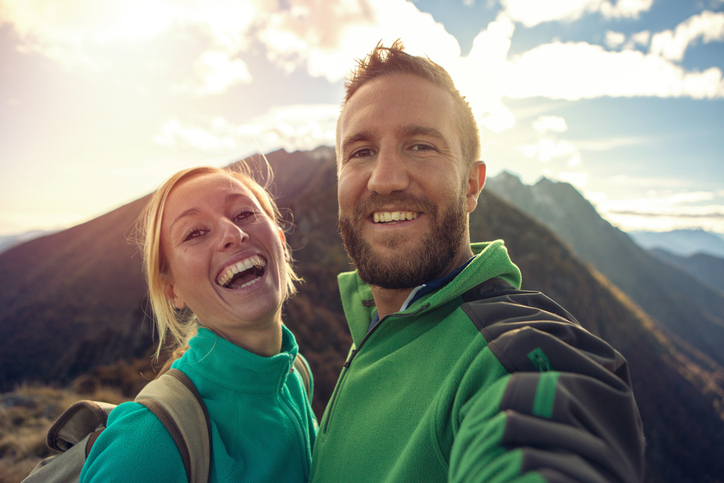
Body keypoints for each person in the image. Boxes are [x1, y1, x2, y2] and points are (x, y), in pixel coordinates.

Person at [310, 40, 645, 482]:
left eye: (420, 146)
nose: (385, 178)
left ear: (471, 185)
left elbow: (548, 427)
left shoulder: (508, 348)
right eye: (360, 152)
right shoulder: (370, 328)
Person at [80, 165, 317, 482]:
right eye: (195, 233)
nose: (233, 234)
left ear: (282, 244)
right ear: (172, 290)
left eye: (244, 214)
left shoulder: (295, 375)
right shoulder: (148, 441)